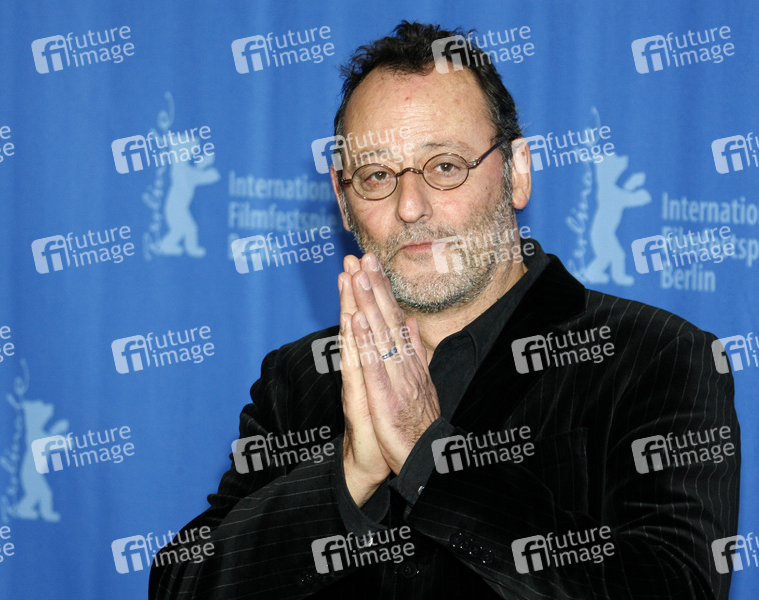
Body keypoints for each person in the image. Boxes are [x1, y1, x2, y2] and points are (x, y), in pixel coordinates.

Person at [149, 21, 740, 599]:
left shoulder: (656, 358)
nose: (410, 206)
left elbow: (676, 584)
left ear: (517, 172)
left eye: (446, 166)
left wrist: (429, 457)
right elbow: (181, 584)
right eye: (376, 174)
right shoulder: (302, 377)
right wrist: (347, 478)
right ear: (343, 200)